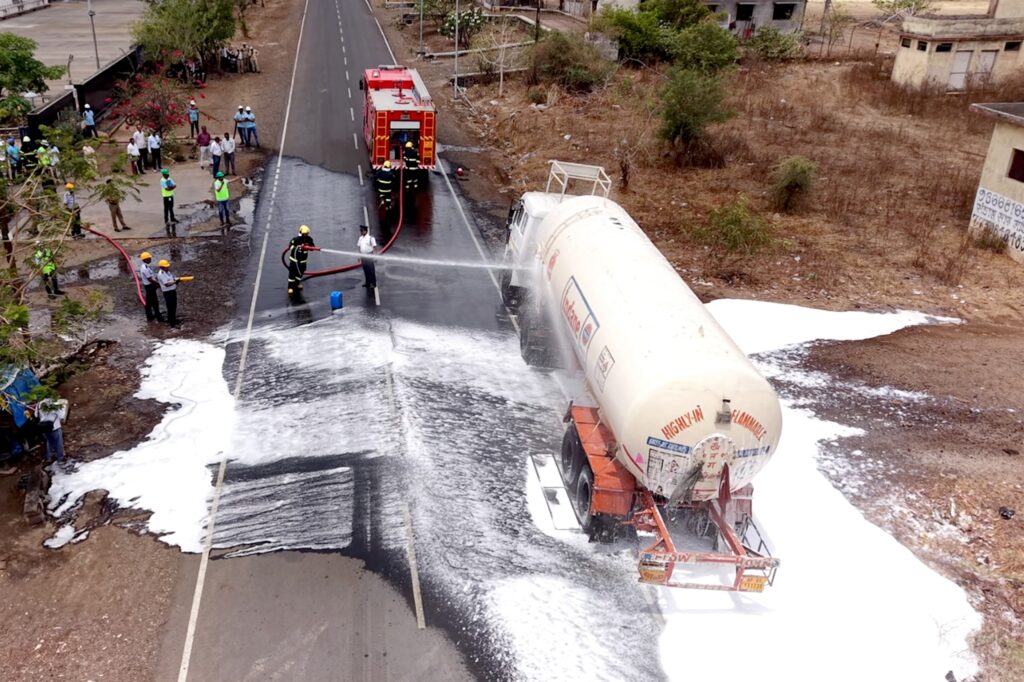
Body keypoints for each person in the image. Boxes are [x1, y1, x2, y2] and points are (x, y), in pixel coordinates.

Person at [286, 224, 315, 296]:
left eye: (307, 233)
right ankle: (290, 287)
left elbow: (312, 247)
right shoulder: (296, 239)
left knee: (300, 273)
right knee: (292, 274)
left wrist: (308, 247)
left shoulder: (309, 239)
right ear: (301, 233)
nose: (305, 235)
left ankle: (297, 284)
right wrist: (297, 247)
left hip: (303, 261)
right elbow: (290, 246)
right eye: (304, 233)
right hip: (294, 261)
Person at [138, 252, 164, 322]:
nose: (150, 259)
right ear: (146, 259)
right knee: (153, 302)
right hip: (149, 286)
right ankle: (157, 316)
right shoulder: (145, 268)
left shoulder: (145, 266)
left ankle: (151, 316)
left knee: (150, 302)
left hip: (149, 286)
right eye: (149, 258)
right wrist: (158, 284)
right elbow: (150, 279)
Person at [156, 259, 180, 326]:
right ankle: (172, 323)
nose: (167, 267)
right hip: (168, 293)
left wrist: (175, 280)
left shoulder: (167, 272)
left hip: (172, 291)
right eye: (166, 266)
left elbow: (171, 279)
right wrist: (175, 282)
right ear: (162, 267)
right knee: (170, 307)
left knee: (173, 306)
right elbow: (166, 284)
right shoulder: (161, 274)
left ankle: (173, 319)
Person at [357, 224, 378, 289]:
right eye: (360, 230)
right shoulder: (360, 238)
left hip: (369, 255)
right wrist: (359, 256)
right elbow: (359, 247)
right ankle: (367, 283)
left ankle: (373, 283)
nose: (361, 232)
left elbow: (375, 247)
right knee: (365, 270)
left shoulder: (371, 238)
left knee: (371, 270)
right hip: (363, 256)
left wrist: (375, 256)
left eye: (362, 230)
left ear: (366, 231)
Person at [160, 169, 178, 236]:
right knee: (166, 208)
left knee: (171, 207)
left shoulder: (169, 179)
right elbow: (167, 189)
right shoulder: (162, 180)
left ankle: (172, 218)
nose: (168, 175)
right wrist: (171, 187)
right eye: (167, 174)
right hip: (166, 196)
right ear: (163, 174)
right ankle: (166, 220)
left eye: (168, 174)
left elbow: (174, 185)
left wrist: (171, 187)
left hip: (171, 195)